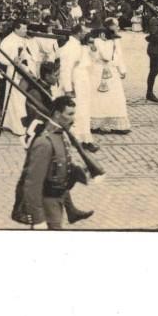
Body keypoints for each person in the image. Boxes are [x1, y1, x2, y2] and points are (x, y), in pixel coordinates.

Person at [12, 95, 88, 229]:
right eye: (69, 114)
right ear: (58, 114)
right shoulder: (45, 143)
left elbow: (59, 167)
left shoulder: (60, 135)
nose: (73, 118)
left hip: (57, 201)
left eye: (73, 114)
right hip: (47, 206)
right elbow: (32, 183)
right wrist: (37, 219)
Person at [57, 23, 96, 152]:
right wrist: (68, 88)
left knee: (84, 111)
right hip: (75, 83)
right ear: (78, 33)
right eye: (84, 32)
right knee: (77, 111)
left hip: (83, 82)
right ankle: (77, 139)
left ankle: (86, 138)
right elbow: (65, 69)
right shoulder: (70, 48)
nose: (86, 34)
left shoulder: (80, 46)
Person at [90, 20, 131, 134]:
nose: (118, 27)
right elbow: (107, 56)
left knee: (114, 97)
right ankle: (97, 124)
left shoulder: (112, 39)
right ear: (110, 27)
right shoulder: (101, 40)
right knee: (99, 98)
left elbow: (118, 55)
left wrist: (122, 69)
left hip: (110, 71)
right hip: (100, 71)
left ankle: (115, 124)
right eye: (116, 25)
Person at [0, 19, 36, 137]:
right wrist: (13, 61)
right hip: (13, 71)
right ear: (16, 29)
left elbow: (25, 54)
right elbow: (1, 58)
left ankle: (12, 123)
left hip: (22, 71)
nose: (26, 30)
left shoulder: (22, 39)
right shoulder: (7, 41)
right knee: (15, 98)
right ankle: (17, 126)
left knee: (20, 98)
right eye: (23, 28)